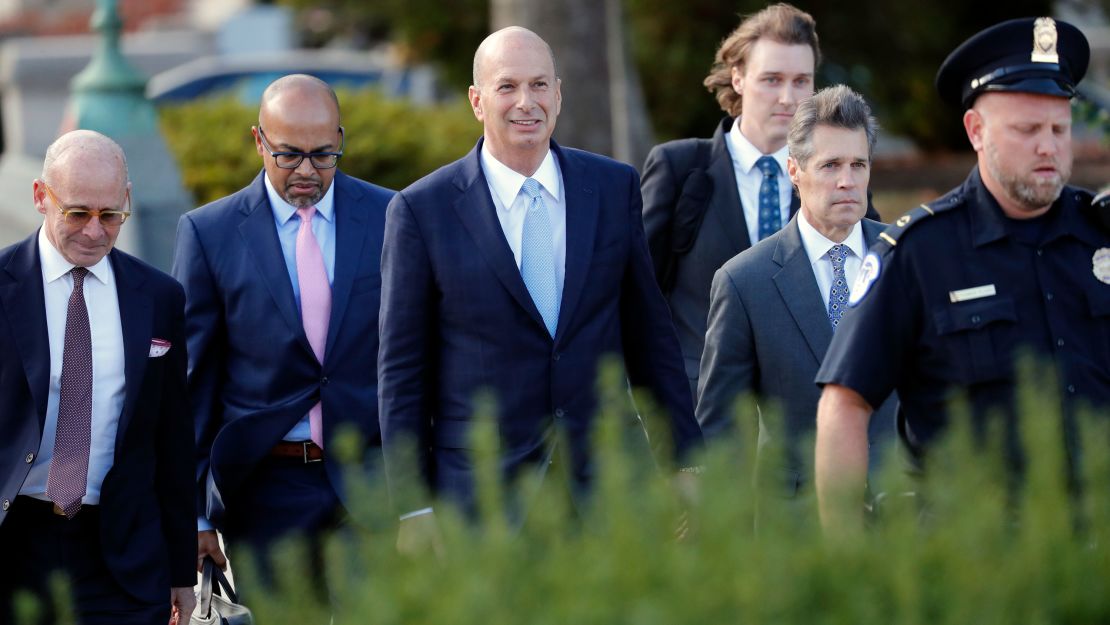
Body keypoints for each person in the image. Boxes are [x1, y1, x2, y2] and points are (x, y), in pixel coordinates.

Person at [378, 26, 702, 549]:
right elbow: (402, 370)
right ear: (477, 101)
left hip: (607, 489)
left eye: (539, 85)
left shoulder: (612, 188)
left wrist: (685, 460)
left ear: (558, 93)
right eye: (507, 87)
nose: (525, 103)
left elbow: (650, 335)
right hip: (481, 499)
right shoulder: (421, 211)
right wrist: (412, 506)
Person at [814, 17, 1109, 532]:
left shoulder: (1101, 236)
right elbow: (845, 403)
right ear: (976, 131)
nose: (1049, 147)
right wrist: (846, 555)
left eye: (1059, 130)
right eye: (1027, 129)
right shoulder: (918, 254)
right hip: (979, 559)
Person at [172, 75, 394, 581]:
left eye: (322, 155)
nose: (307, 172)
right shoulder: (209, 234)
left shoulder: (391, 215)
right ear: (259, 141)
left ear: (341, 139)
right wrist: (196, 511)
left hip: (373, 479)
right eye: (288, 155)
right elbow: (193, 383)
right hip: (265, 486)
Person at [0, 130, 195, 624]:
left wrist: (181, 570)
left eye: (111, 215)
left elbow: (171, 439)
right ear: (42, 196)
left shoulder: (159, 298)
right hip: (14, 541)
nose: (94, 231)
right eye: (78, 213)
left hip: (122, 551)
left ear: (127, 200)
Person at [643, 4, 880, 399]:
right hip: (700, 407)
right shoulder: (679, 169)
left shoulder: (841, 177)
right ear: (738, 78)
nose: (788, 98)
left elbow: (870, 280)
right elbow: (640, 295)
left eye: (802, 81)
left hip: (803, 412)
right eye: (772, 79)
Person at [697, 85, 896, 505]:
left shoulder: (907, 258)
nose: (847, 180)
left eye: (858, 164)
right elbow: (723, 431)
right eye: (830, 166)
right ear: (793, 170)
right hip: (794, 524)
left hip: (903, 514)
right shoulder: (743, 281)